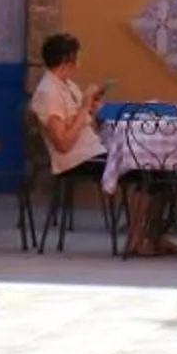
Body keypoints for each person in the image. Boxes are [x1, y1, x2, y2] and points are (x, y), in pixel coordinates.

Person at [28, 34, 115, 246]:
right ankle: (140, 239)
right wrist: (84, 107)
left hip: (92, 150)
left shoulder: (67, 86)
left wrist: (89, 107)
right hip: (77, 160)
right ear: (68, 59)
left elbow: (80, 118)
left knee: (149, 167)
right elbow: (63, 144)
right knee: (144, 172)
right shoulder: (48, 92)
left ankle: (146, 236)